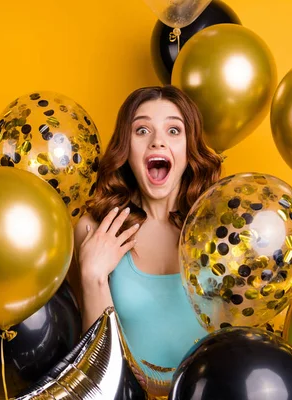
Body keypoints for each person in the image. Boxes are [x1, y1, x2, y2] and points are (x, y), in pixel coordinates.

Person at [70, 85, 222, 392]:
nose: (157, 141)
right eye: (142, 130)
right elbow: (87, 358)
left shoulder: (219, 229)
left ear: (189, 147)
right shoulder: (93, 228)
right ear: (125, 148)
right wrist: (92, 277)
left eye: (173, 130)